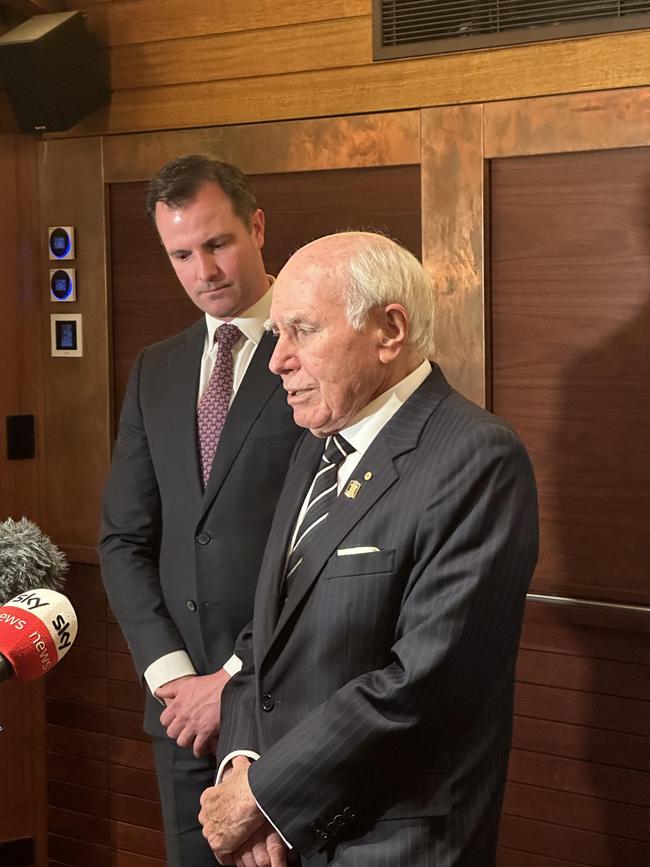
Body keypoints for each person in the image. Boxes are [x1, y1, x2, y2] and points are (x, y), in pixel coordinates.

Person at [198, 231, 539, 866]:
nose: (277, 360)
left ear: (389, 330)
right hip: (282, 836)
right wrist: (242, 761)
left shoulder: (476, 458)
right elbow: (265, 636)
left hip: (392, 842)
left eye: (302, 330)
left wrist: (264, 798)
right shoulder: (316, 443)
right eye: (278, 334)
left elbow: (424, 686)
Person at [99, 154, 301, 867]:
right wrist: (174, 680)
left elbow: (328, 543)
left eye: (217, 244)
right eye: (181, 254)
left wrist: (234, 680)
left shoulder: (316, 345)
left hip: (287, 703)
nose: (202, 270)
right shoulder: (157, 366)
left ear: (257, 226)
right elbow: (123, 539)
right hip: (181, 721)